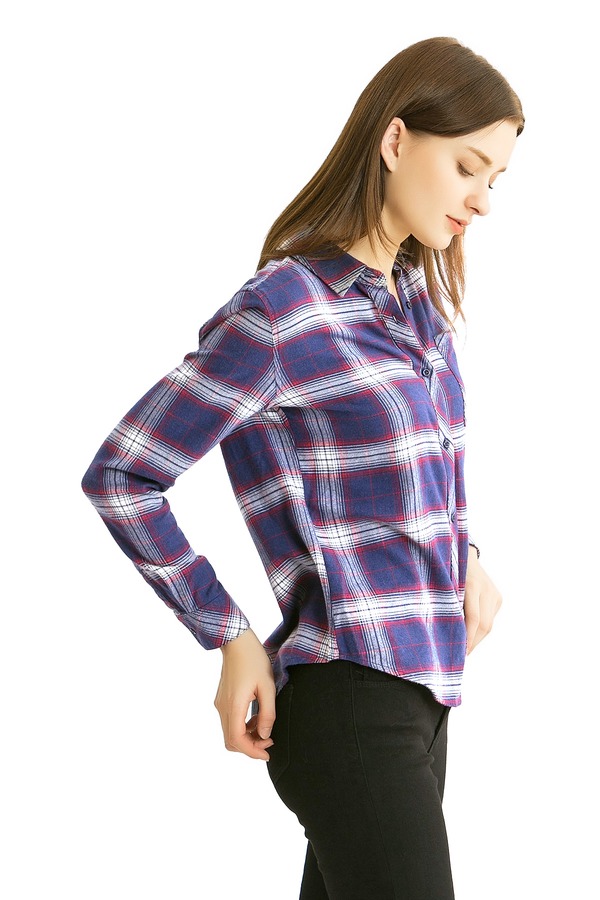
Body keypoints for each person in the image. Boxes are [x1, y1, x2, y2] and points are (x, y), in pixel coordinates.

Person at [82, 35, 524, 900]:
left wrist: (463, 556)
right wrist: (229, 633)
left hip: (426, 701)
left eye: (496, 179)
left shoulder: (417, 311)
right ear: (395, 140)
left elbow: (407, 479)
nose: (481, 199)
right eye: (468, 167)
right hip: (350, 702)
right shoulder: (284, 312)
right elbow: (123, 475)